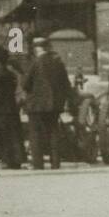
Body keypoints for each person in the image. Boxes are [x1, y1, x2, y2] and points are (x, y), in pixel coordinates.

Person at [23, 36, 73, 170]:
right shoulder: (58, 63)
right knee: (53, 132)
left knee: (35, 134)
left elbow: (25, 84)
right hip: (54, 106)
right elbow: (66, 85)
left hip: (36, 106)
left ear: (37, 48)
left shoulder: (35, 63)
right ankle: (55, 163)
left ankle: (38, 164)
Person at [0, 44, 24, 170]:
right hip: (12, 107)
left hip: (1, 108)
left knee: (4, 135)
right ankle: (16, 160)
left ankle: (8, 160)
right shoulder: (10, 73)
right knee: (14, 134)